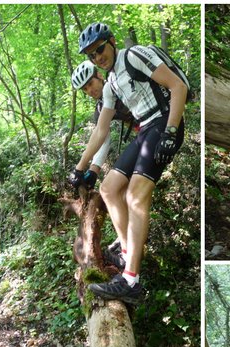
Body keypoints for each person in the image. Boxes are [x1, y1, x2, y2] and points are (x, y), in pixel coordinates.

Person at [72, 22, 188, 304]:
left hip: (163, 122)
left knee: (136, 196)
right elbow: (101, 131)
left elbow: (178, 86)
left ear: (111, 41)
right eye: (91, 55)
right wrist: (80, 168)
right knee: (110, 188)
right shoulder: (110, 83)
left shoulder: (133, 55)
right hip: (146, 129)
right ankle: (126, 254)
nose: (98, 57)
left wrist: (171, 132)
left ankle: (131, 281)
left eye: (99, 49)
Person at [69, 60, 137, 201]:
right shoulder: (100, 108)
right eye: (85, 89)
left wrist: (79, 168)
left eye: (90, 84)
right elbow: (103, 138)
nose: (90, 90)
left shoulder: (118, 83)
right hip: (144, 133)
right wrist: (94, 171)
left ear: (99, 75)